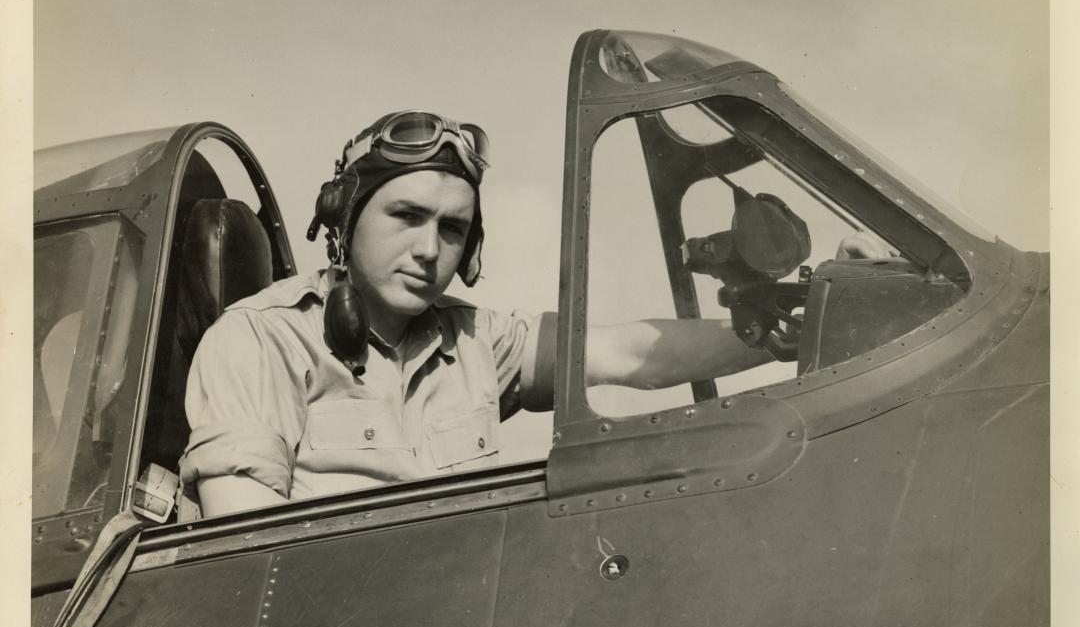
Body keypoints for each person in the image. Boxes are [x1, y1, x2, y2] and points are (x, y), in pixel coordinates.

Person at [179, 110, 880, 518]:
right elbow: (241, 559)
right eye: (406, 216)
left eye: (453, 229)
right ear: (345, 219)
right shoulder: (258, 341)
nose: (429, 249)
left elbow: (633, 356)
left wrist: (801, 321)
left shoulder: (477, 339)